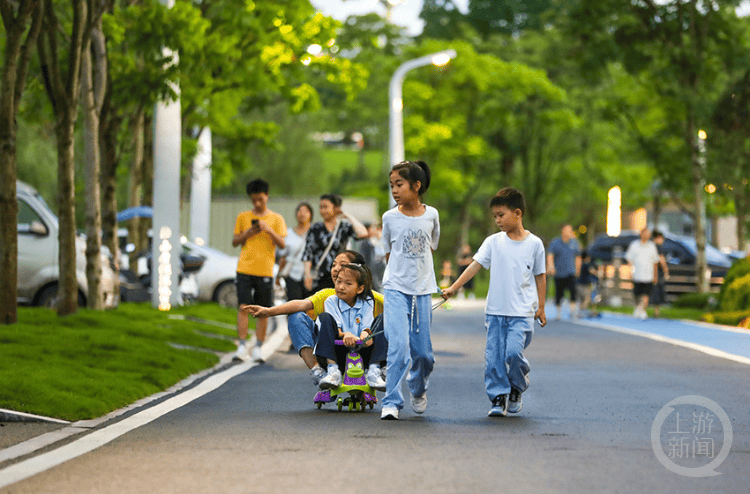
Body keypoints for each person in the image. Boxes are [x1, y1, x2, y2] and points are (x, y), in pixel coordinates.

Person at [442, 187, 547, 417]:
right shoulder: (493, 242)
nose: (497, 220)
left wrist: (541, 306)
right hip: (495, 312)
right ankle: (498, 397)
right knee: (493, 358)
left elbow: (540, 275)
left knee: (512, 354)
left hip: (521, 313)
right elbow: (474, 266)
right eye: (495, 216)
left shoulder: (535, 244)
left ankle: (517, 386)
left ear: (517, 213)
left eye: (501, 215)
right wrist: (453, 287)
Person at [243, 250, 384, 386]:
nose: (336, 269)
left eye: (342, 265)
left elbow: (396, 311)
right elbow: (301, 304)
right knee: (298, 316)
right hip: (334, 350)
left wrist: (367, 334)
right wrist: (268, 311)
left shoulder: (371, 299)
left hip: (364, 350)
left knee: (390, 318)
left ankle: (379, 370)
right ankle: (320, 373)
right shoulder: (329, 297)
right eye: (334, 265)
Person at [380, 160, 440, 421]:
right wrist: (397, 277)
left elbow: (432, 246)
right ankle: (391, 401)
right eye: (392, 185)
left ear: (416, 186)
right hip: (395, 289)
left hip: (423, 291)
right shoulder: (389, 217)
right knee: (398, 347)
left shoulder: (432, 215)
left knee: (424, 354)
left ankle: (418, 387)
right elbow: (388, 252)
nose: (394, 190)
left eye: (399, 184)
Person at [232, 179, 287, 363]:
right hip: (244, 268)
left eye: (260, 199)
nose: (257, 203)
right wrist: (248, 233)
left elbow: (282, 244)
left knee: (263, 311)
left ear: (267, 196)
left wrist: (268, 230)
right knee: (243, 307)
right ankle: (241, 347)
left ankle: (258, 348)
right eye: (253, 200)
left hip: (265, 270)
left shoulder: (276, 219)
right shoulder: (243, 217)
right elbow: (234, 242)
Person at [315, 263, 387, 391]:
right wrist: (345, 335)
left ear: (359, 289)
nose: (341, 287)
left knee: (382, 319)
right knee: (324, 317)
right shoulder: (331, 301)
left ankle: (374, 370)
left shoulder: (367, 301)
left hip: (362, 350)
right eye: (338, 281)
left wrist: (366, 333)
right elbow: (336, 329)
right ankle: (333, 371)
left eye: (348, 284)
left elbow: (367, 327)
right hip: (338, 351)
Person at [302, 194, 369, 293]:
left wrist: (348, 216)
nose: (322, 210)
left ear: (336, 208)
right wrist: (307, 275)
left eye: (325, 207)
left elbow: (363, 233)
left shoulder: (344, 227)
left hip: (341, 276)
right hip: (319, 278)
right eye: (321, 207)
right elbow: (308, 253)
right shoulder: (316, 228)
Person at [277, 202, 314, 301]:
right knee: (293, 306)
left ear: (311, 214)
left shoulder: (316, 233)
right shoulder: (288, 233)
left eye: (306, 211)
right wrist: (278, 276)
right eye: (299, 211)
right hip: (292, 275)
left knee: (310, 308)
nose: (302, 213)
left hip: (312, 276)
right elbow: (283, 256)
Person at [547, 224, 581, 320]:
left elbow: (578, 256)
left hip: (571, 271)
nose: (569, 232)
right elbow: (550, 255)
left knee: (573, 291)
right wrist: (551, 266)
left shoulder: (574, 243)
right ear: (562, 231)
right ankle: (558, 312)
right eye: (567, 230)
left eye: (570, 230)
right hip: (559, 272)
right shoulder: (555, 242)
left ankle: (573, 311)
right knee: (559, 293)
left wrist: (578, 269)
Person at [624, 227, 660, 319]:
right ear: (641, 234)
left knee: (646, 294)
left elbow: (655, 262)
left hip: (648, 275)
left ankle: (643, 310)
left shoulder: (652, 246)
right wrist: (630, 271)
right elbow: (629, 259)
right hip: (637, 274)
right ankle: (638, 308)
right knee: (637, 294)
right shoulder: (634, 245)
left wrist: (655, 275)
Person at [355, 223, 386, 292]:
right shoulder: (364, 243)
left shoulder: (372, 242)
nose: (375, 230)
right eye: (373, 228)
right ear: (368, 230)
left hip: (375, 274)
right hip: (370, 274)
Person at [650, 230, 670, 318]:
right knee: (657, 291)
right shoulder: (657, 247)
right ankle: (656, 312)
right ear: (657, 238)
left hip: (650, 271)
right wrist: (666, 270)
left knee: (652, 290)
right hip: (657, 272)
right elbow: (661, 259)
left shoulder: (649, 246)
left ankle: (652, 310)